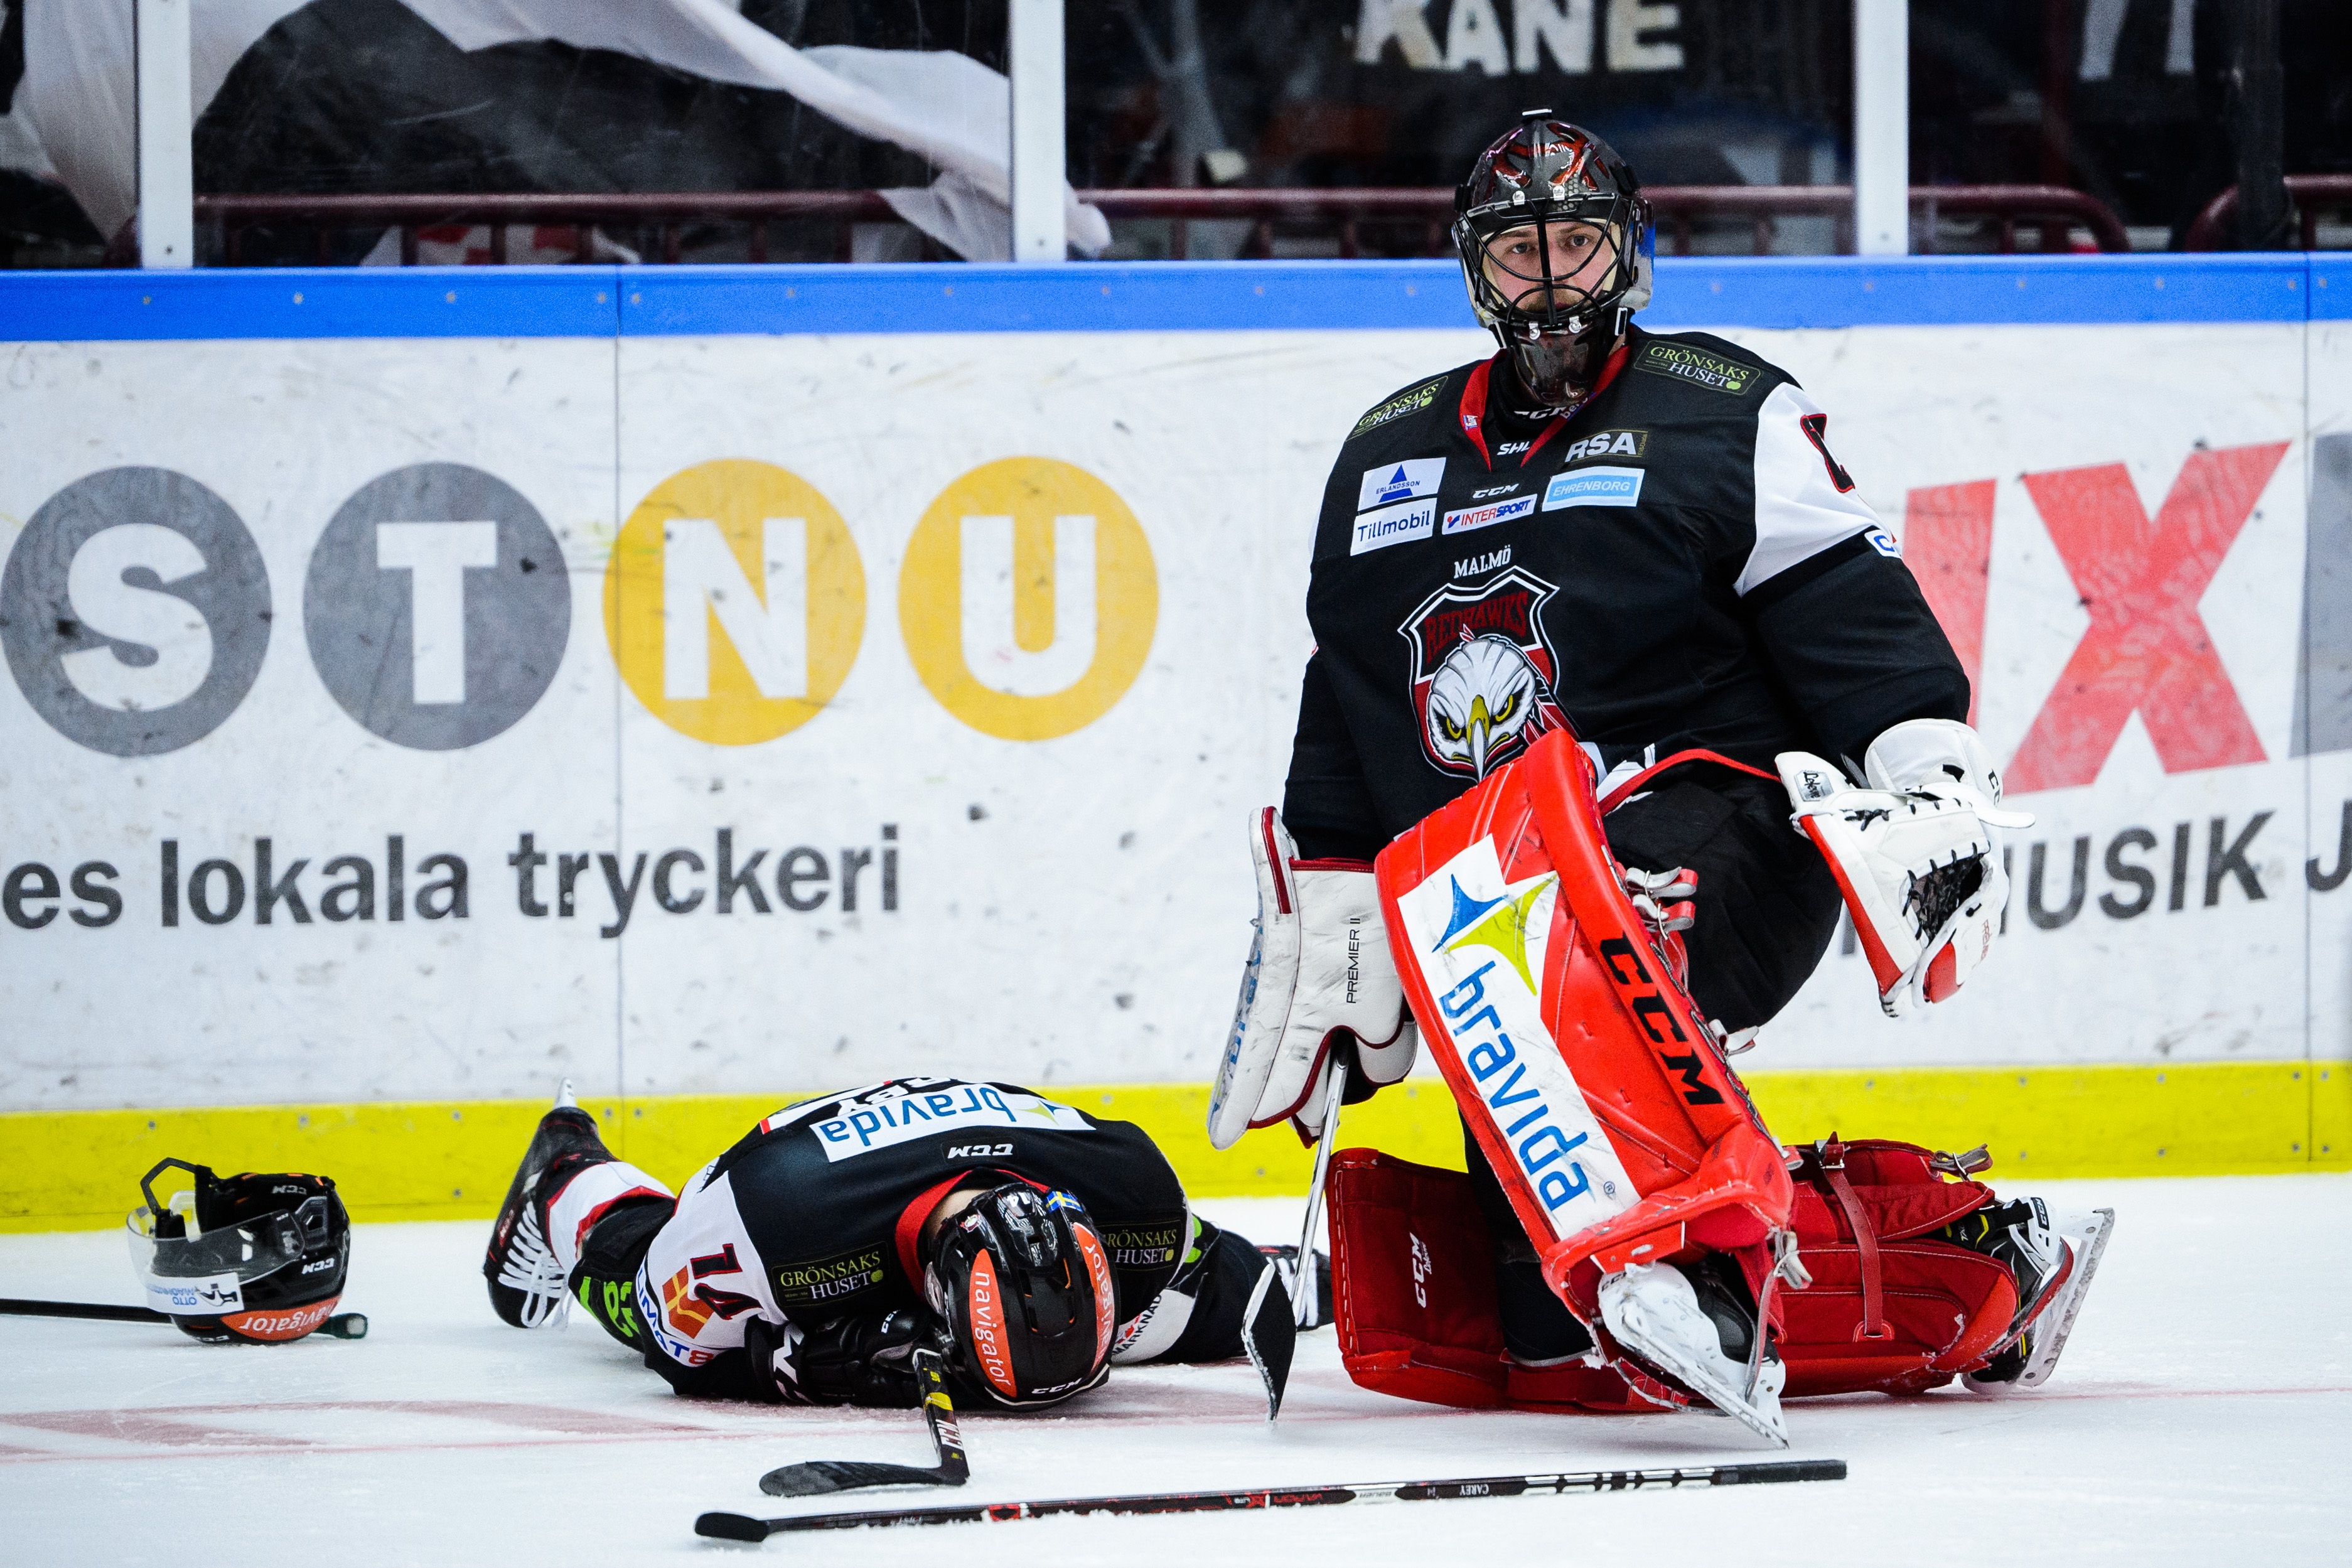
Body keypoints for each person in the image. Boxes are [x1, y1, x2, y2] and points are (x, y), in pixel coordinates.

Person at [1210, 112, 2104, 1439]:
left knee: (1603, 917)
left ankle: (1703, 1268)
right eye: (1520, 252)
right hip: (1483, 912)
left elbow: (1851, 617)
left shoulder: (1722, 407)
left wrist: (1928, 769)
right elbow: (1341, 690)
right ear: (1474, 273)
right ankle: (1980, 1257)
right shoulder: (1381, 453)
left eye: (1575, 243)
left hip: (1718, 829)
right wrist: (1333, 880)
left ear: (1628, 254)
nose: (1551, 278)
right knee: (1551, 1339)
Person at [482, 1077, 1304, 1412]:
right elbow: (681, 1356)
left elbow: (1215, 1274)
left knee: (1198, 1308)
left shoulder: (1139, 1202)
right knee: (635, 1294)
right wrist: (800, 1365)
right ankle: (564, 1167)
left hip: (968, 1154)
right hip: (807, 1181)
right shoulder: (771, 1226)